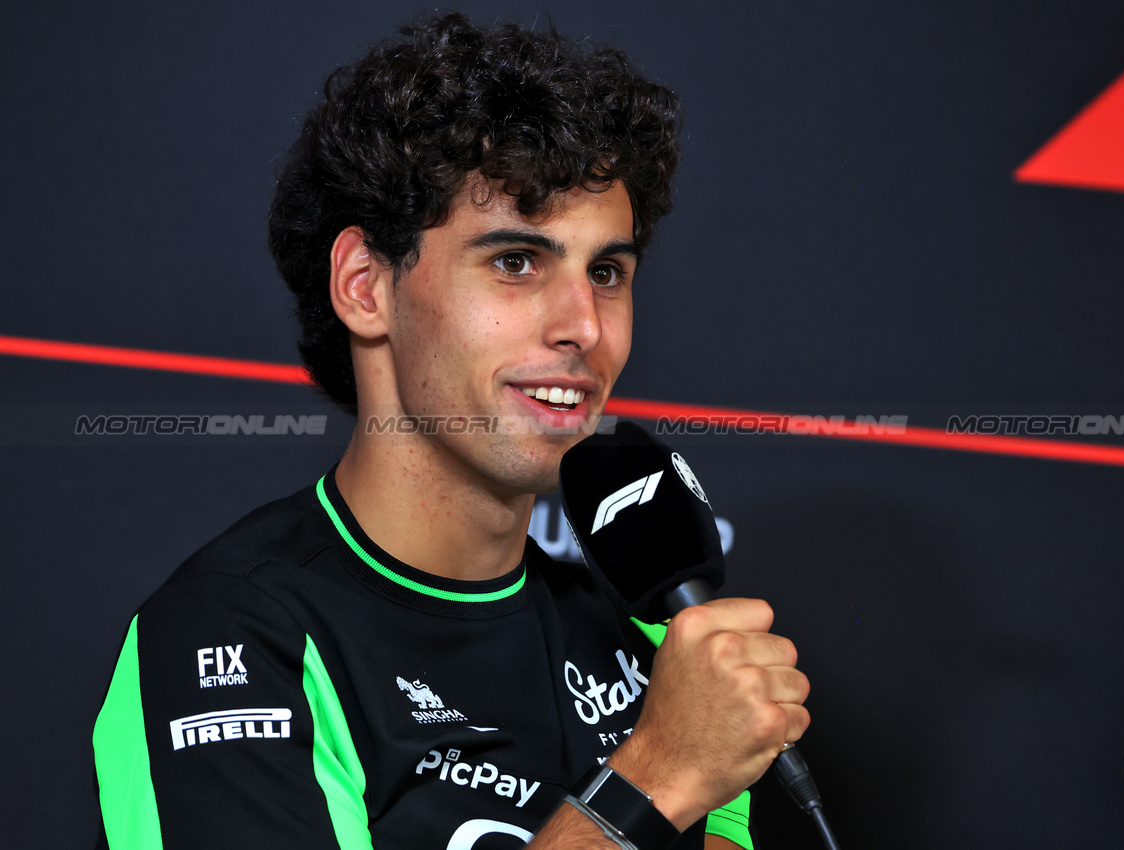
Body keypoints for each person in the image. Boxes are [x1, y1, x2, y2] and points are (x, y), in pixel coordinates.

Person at [92, 12, 810, 850]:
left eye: (606, 271)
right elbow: (659, 779)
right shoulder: (229, 633)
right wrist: (653, 781)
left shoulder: (657, 648)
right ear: (366, 287)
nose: (585, 325)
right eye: (515, 261)